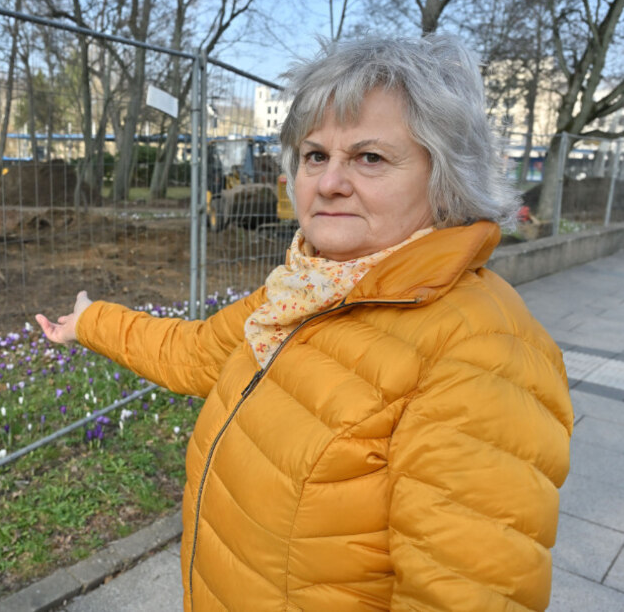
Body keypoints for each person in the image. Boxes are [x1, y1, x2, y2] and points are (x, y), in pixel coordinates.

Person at [36, 35, 573, 611]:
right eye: (316, 155)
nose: (329, 182)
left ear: (446, 179)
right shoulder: (304, 292)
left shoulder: (482, 351)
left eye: (370, 157)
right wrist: (93, 322)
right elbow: (194, 352)